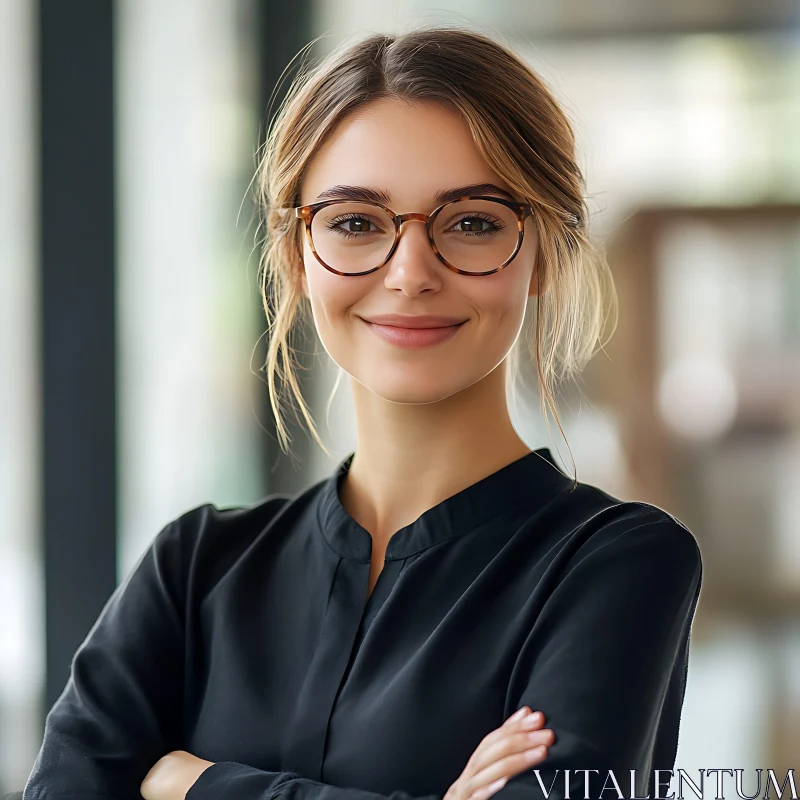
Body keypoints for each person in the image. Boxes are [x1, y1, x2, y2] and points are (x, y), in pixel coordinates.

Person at [23, 26, 702, 800]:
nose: (411, 273)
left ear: (543, 252)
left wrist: (193, 784)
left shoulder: (617, 566)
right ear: (295, 257)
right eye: (355, 222)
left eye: (473, 221)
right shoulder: (193, 573)